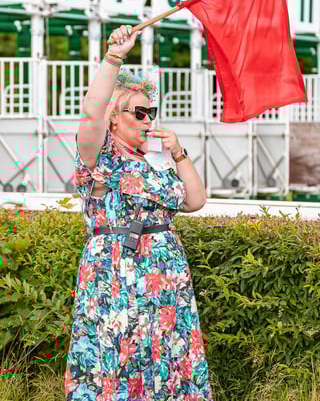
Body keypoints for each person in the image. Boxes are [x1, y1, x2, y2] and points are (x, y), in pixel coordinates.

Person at [64, 24, 214, 400]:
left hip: (164, 279)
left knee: (166, 360)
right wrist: (115, 56)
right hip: (116, 273)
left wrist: (179, 152)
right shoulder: (97, 158)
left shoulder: (156, 165)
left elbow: (195, 200)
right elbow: (90, 114)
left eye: (152, 113)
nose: (148, 120)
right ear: (114, 118)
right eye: (139, 112)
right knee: (113, 359)